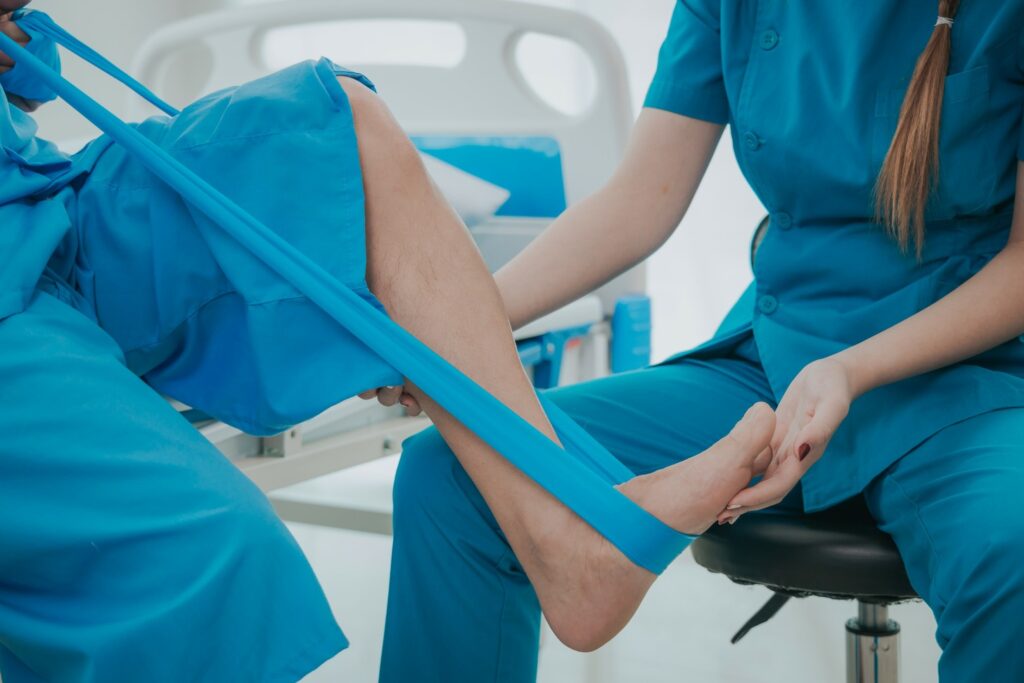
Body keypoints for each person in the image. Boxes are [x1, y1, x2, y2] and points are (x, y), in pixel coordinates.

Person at [0, 2, 775, 680]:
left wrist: (451, 321)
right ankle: (570, 535)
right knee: (216, 561)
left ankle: (563, 540)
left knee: (338, 116)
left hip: (42, 197)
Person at [377, 1, 1024, 681]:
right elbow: (638, 204)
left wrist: (853, 369)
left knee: (1011, 548)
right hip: (777, 364)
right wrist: (447, 334)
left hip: (968, 376)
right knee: (450, 475)